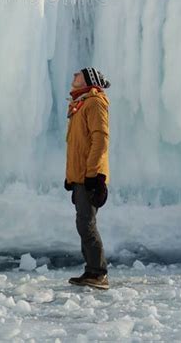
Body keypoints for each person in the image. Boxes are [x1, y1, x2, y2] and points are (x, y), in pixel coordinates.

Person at [64, 67, 110, 289]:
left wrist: (95, 176)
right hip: (82, 176)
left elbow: (100, 140)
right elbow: (76, 147)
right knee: (83, 223)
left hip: (89, 176)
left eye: (78, 75)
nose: (74, 76)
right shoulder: (80, 104)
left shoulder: (94, 103)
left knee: (87, 224)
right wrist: (71, 178)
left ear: (89, 81)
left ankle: (98, 273)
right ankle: (91, 270)